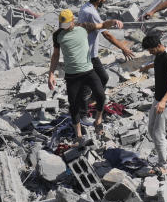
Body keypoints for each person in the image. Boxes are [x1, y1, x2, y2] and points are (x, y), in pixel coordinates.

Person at [48, 9, 122, 137]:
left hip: (88, 71)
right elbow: (55, 55)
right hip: (72, 76)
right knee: (74, 106)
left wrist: (114, 21)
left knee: (100, 95)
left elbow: (103, 25)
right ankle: (78, 135)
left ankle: (98, 121)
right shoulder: (57, 35)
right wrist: (51, 74)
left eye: (67, 25)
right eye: (62, 26)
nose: (64, 28)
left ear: (73, 21)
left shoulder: (84, 27)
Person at [79, 0, 135, 95]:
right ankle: (92, 101)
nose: (105, 0)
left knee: (92, 79)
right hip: (89, 54)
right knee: (103, 78)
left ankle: (89, 99)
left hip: (84, 52)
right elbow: (106, 34)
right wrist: (123, 48)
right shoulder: (92, 13)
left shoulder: (85, 7)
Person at [139, 34, 167, 171]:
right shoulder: (159, 54)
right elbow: (157, 64)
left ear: (158, 45)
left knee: (158, 133)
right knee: (151, 128)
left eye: (151, 50)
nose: (150, 52)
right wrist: (146, 67)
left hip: (166, 101)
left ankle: (162, 165)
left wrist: (163, 101)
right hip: (158, 97)